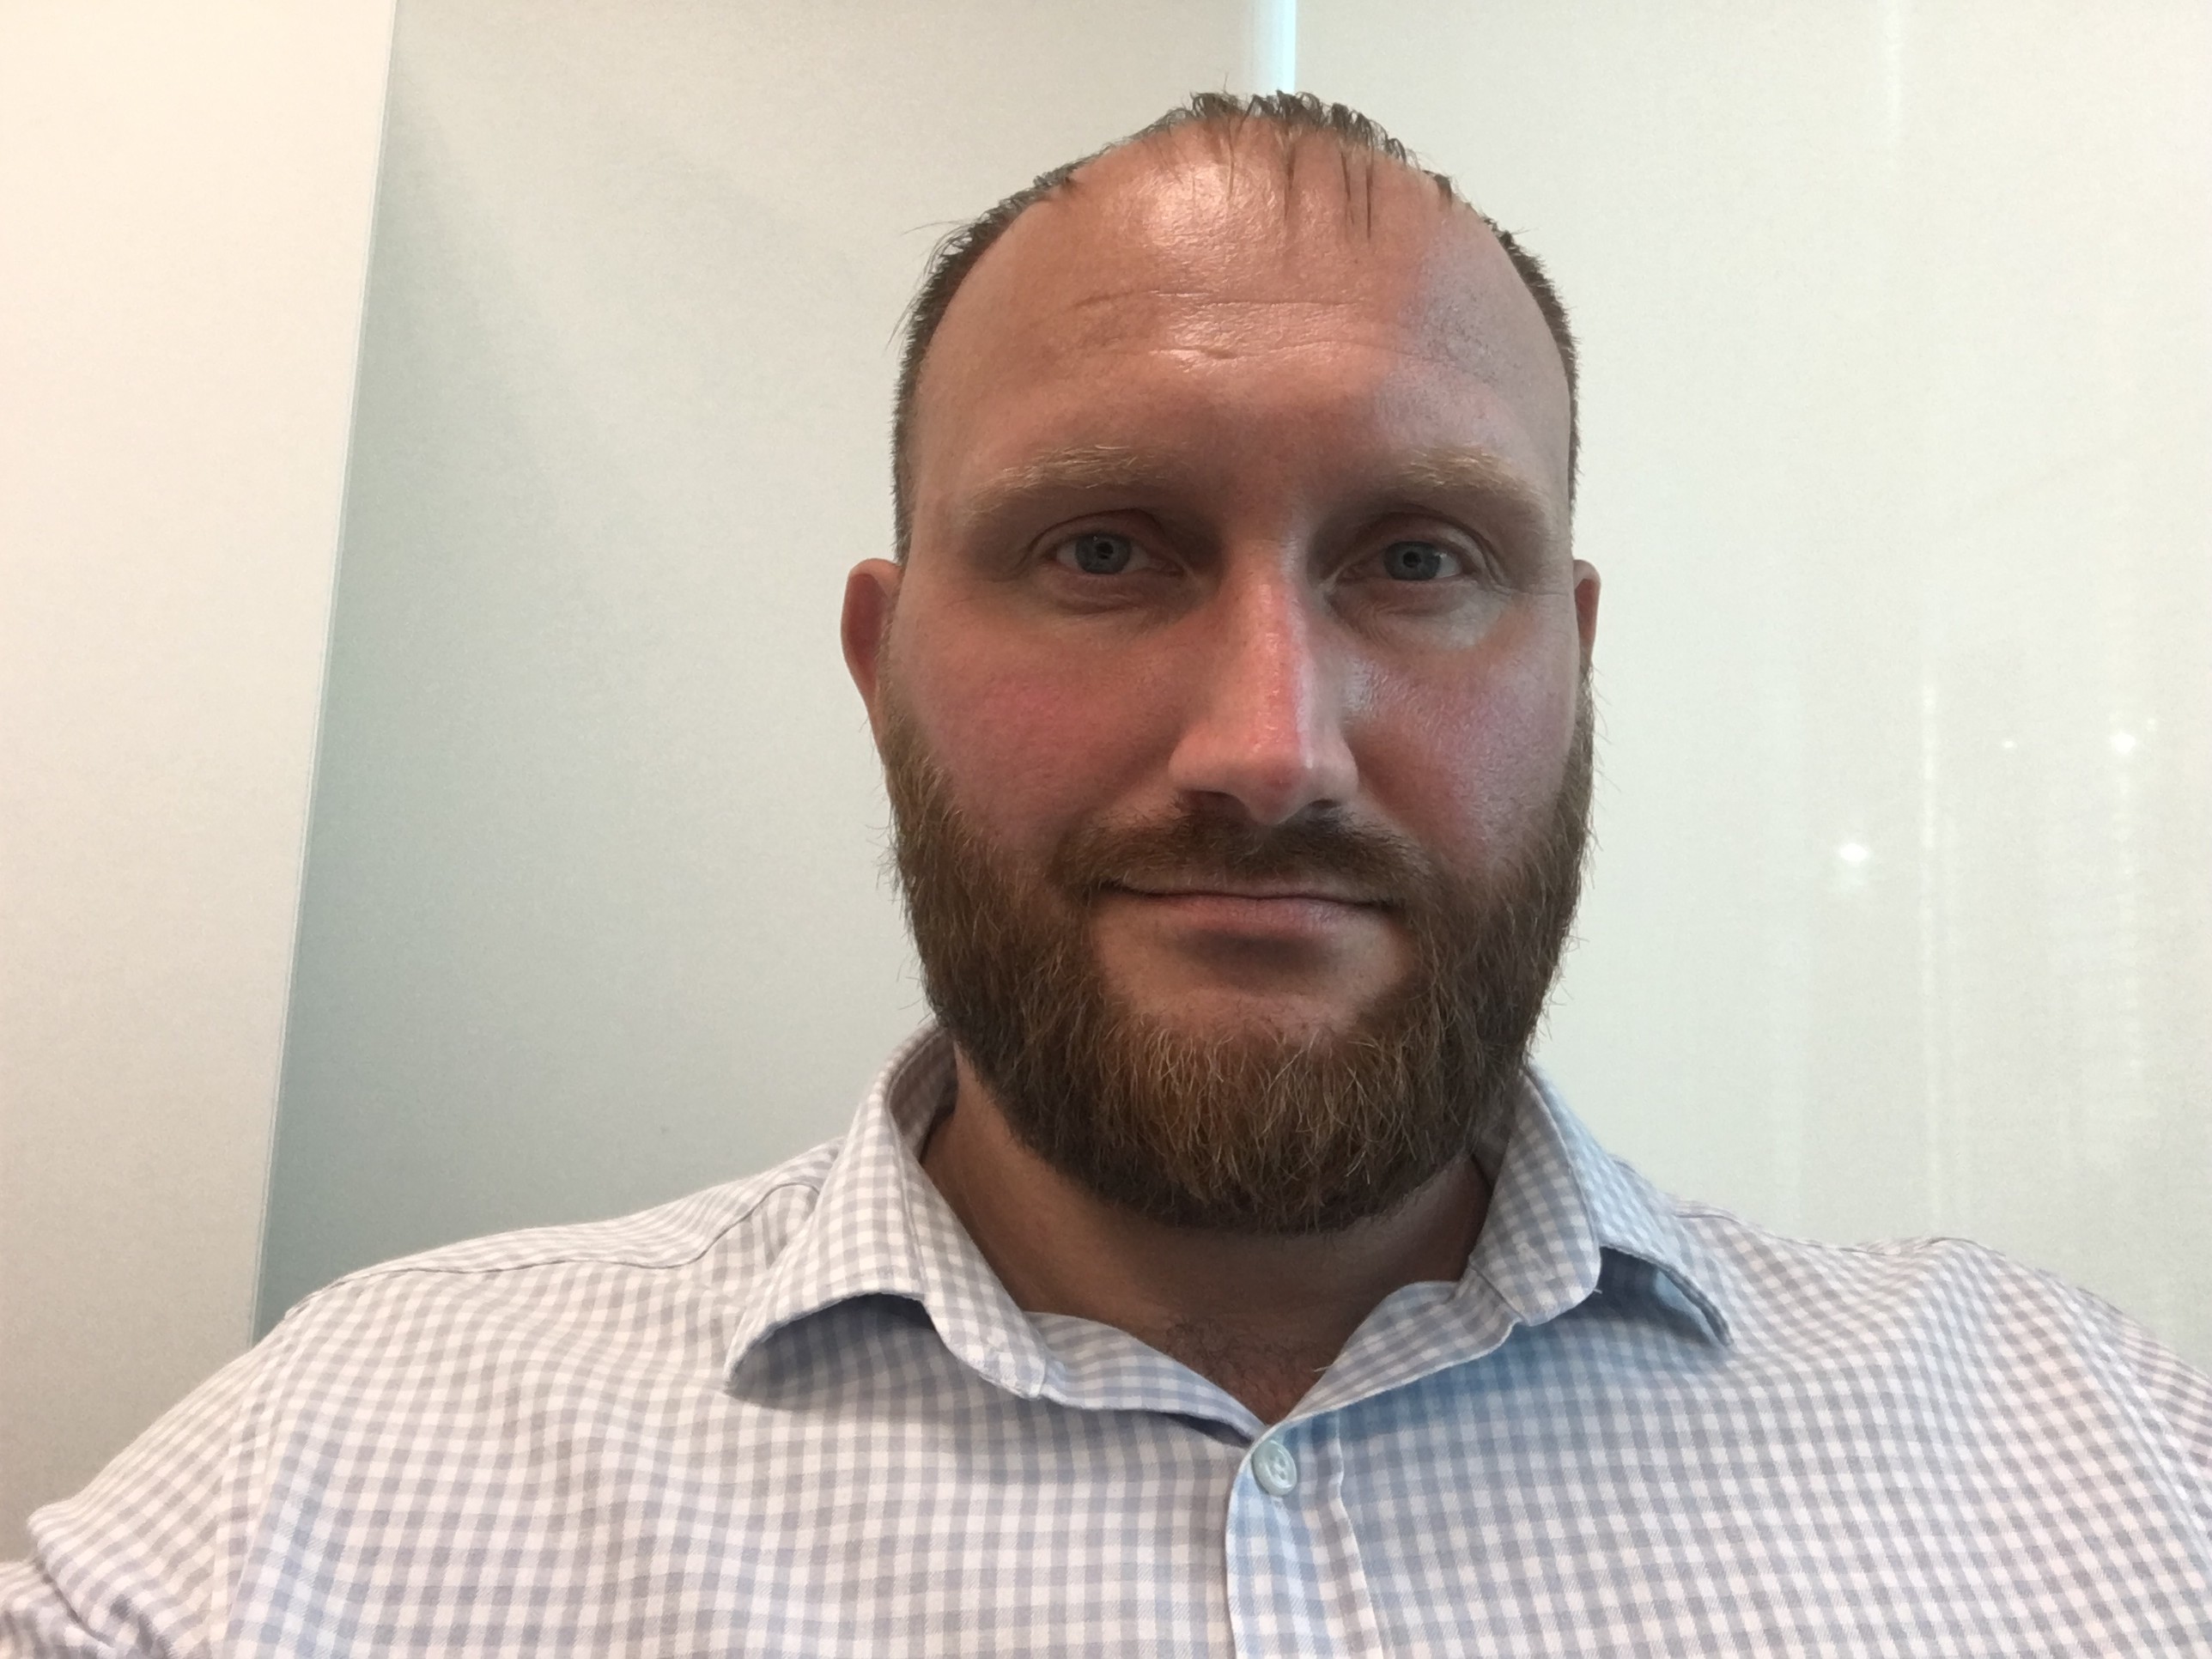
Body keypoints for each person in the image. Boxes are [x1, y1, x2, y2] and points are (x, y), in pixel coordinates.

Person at [5, 92, 2208, 1657]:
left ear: (1572, 662)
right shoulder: (325, 1498)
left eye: (1417, 561)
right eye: (1100, 550)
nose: (1269, 747)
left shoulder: (2099, 1466)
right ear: (882, 667)